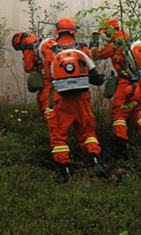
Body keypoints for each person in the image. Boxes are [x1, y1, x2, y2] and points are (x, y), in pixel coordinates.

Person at [40, 17, 106, 181]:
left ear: (58, 31)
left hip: (61, 99)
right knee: (87, 131)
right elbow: (94, 75)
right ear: (74, 31)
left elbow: (48, 76)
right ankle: (96, 161)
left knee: (58, 134)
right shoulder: (83, 49)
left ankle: (64, 172)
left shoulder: (51, 51)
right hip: (82, 98)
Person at [91, 18, 141, 157]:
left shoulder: (114, 45)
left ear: (110, 31)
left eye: (106, 33)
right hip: (140, 84)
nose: (106, 35)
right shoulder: (130, 40)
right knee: (135, 113)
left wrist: (94, 41)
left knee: (118, 115)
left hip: (126, 84)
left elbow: (95, 55)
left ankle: (122, 147)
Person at [12, 30, 52, 117]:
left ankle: (51, 121)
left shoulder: (27, 45)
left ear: (19, 43)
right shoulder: (35, 41)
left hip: (46, 77)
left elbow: (28, 67)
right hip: (53, 73)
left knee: (45, 101)